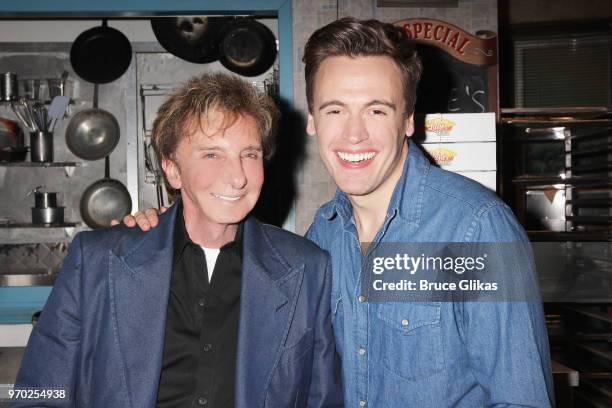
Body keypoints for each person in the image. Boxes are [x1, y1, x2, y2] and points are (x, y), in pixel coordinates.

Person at [122, 18, 554, 407]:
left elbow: (524, 401)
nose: (353, 134)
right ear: (313, 120)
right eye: (335, 110)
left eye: (377, 110)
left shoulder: (475, 228)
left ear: (408, 120)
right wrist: (169, 227)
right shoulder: (321, 238)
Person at [13, 72, 342, 408]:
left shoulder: (307, 269)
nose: (238, 176)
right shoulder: (98, 261)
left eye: (250, 154)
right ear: (171, 169)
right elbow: (38, 394)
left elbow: (322, 400)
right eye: (212, 154)